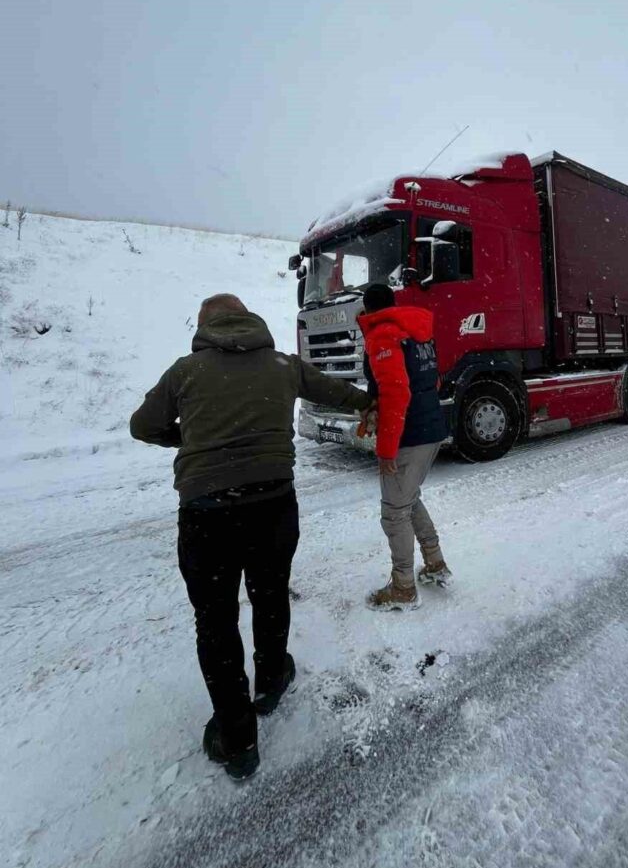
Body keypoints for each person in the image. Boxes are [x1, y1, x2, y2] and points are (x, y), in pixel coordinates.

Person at [130, 293, 372, 780]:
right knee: (269, 593)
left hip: (206, 517)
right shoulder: (284, 365)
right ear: (246, 320)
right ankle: (271, 679)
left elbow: (143, 425)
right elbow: (337, 392)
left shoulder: (186, 371)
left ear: (205, 327)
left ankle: (237, 739)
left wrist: (190, 437)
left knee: (215, 621)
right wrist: (375, 399)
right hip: (272, 506)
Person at [358, 283, 451, 610]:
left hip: (408, 436)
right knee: (408, 500)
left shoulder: (383, 335)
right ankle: (435, 564)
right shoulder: (417, 331)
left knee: (394, 513)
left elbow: (397, 393)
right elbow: (432, 380)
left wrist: (385, 449)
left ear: (368, 309)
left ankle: (403, 588)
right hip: (431, 428)